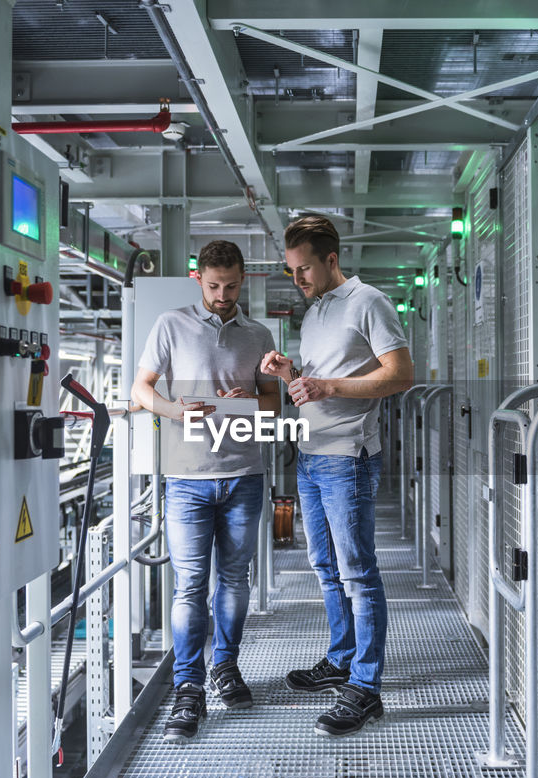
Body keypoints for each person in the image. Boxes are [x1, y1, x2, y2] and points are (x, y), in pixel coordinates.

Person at [260, 215, 414, 736]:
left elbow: (400, 375)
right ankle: (342, 658)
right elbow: (316, 383)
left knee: (358, 573)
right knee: (325, 566)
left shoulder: (368, 302)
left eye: (304, 269)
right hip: (310, 453)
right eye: (291, 271)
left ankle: (366, 688)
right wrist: (292, 377)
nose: (297, 280)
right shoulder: (314, 313)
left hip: (347, 457)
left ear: (331, 259)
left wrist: (328, 389)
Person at [132, 240, 280, 742]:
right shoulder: (170, 325)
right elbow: (141, 389)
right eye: (214, 285)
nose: (223, 294)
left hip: (244, 474)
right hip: (187, 479)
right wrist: (176, 410)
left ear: (244, 280)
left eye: (232, 285)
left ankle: (226, 667)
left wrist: (251, 401)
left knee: (235, 581)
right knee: (190, 586)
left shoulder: (259, 335)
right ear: (198, 279)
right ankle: (188, 686)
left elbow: (273, 405)